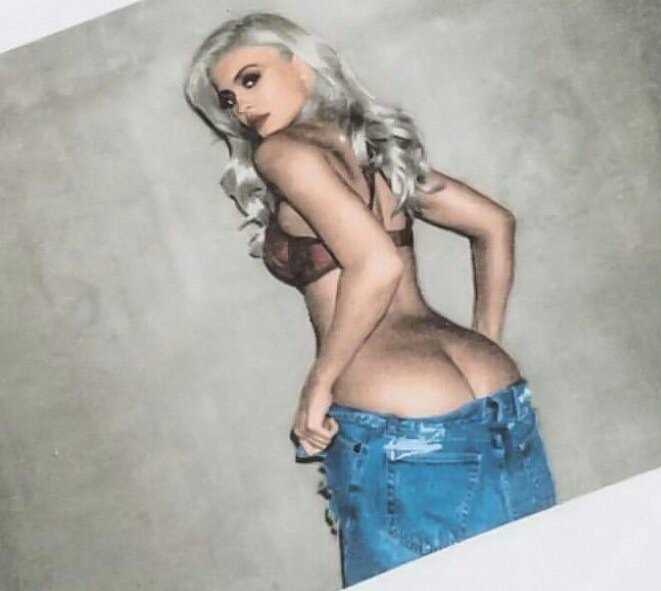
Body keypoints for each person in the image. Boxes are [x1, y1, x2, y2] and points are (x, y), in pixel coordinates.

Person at [185, 12, 557, 588]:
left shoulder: (281, 153)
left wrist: (321, 383)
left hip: (396, 414)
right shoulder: (374, 151)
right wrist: (486, 342)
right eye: (227, 99)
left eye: (250, 78)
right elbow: (494, 223)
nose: (240, 106)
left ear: (301, 66)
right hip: (497, 394)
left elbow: (377, 265)